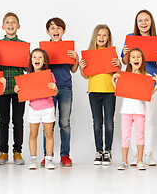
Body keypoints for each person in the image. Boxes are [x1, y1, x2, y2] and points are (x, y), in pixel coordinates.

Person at [121, 10, 157, 166]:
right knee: (134, 119)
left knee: (149, 120)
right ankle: (135, 154)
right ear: (136, 23)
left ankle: (148, 154)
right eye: (140, 20)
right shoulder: (130, 38)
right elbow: (125, 62)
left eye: (147, 20)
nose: (144, 23)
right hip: (133, 82)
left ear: (151, 22)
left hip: (151, 82)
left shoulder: (156, 40)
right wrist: (125, 54)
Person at [112, 48, 157, 170]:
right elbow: (120, 91)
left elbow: (148, 94)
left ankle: (140, 160)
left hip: (140, 111)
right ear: (129, 61)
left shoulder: (147, 76)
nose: (136, 59)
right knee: (125, 136)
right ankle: (124, 161)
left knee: (139, 136)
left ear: (142, 60)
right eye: (133, 57)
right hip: (126, 110)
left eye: (138, 56)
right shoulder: (125, 75)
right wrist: (114, 80)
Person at [79, 24, 121, 166]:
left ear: (108, 37)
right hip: (93, 92)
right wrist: (81, 67)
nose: (102, 38)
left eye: (105, 35)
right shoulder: (90, 54)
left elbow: (116, 73)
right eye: (99, 35)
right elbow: (85, 76)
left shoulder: (111, 53)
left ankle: (108, 151)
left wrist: (119, 65)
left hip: (109, 92)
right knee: (97, 123)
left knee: (109, 122)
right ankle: (99, 151)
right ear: (95, 37)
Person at [41, 17, 79, 167]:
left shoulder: (68, 48)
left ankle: (65, 155)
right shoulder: (43, 50)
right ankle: (47, 155)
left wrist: (76, 58)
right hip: (48, 89)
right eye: (52, 28)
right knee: (48, 124)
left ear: (63, 31)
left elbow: (73, 70)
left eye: (59, 28)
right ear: (47, 32)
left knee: (64, 123)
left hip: (65, 88)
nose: (56, 31)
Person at [0, 12, 26, 165]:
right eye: (7, 22)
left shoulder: (23, 45)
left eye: (13, 22)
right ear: (3, 26)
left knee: (18, 121)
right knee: (3, 121)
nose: (10, 24)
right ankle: (3, 152)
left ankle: (17, 152)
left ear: (18, 26)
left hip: (19, 88)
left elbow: (27, 69)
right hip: (3, 89)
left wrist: (27, 60)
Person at [15, 48, 58, 170]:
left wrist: (54, 87)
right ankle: (33, 159)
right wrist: (17, 90)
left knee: (49, 134)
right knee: (33, 134)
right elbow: (22, 94)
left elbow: (55, 93)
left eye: (40, 57)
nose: (37, 59)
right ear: (31, 61)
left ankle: (49, 159)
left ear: (44, 61)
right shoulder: (27, 77)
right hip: (34, 109)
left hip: (48, 108)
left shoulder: (49, 75)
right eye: (34, 57)